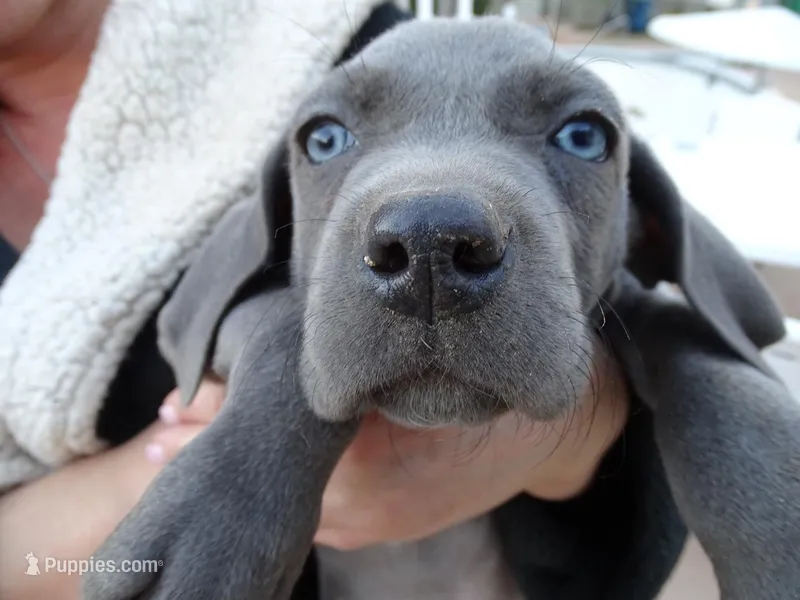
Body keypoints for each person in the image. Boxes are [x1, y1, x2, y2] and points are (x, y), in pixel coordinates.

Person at [0, 1, 633, 599]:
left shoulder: (336, 28)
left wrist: (573, 436)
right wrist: (205, 470)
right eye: (329, 140)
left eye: (580, 136)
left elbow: (652, 328)